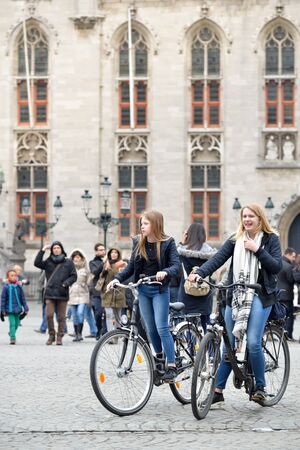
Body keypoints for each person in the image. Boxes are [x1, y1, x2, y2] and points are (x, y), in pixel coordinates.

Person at [189, 203, 282, 403]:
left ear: (260, 219)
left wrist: (258, 250)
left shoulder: (270, 239)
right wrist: (200, 273)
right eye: (244, 216)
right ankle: (217, 392)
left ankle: (260, 387)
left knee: (254, 342)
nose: (247, 219)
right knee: (229, 346)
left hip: (260, 295)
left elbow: (276, 267)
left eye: (251, 216)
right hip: (236, 294)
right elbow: (217, 259)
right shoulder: (235, 240)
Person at [107, 210, 181, 381]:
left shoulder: (168, 243)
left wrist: (165, 272)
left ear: (155, 224)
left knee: (162, 327)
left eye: (145, 223)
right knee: (150, 328)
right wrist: (117, 279)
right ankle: (159, 358)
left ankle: (172, 365)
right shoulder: (138, 242)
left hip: (159, 290)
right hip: (143, 290)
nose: (142, 226)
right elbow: (131, 266)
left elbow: (176, 265)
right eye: (141, 223)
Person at [34, 241, 77, 346]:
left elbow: (74, 276)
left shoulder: (68, 262)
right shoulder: (48, 261)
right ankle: (51, 335)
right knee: (49, 315)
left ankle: (59, 336)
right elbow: (37, 263)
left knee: (61, 317)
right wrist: (43, 249)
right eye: (54, 248)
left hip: (62, 293)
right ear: (52, 250)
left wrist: (66, 283)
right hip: (50, 293)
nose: (56, 250)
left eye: (58, 248)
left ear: (61, 249)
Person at [177, 223, 216, 332]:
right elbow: (211, 272)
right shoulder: (210, 254)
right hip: (204, 292)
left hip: (186, 292)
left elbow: (176, 265)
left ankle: (191, 347)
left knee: (188, 326)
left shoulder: (182, 252)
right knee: (206, 324)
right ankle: (208, 347)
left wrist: (182, 242)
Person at [97, 248, 127, 332]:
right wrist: (105, 269)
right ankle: (110, 335)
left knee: (117, 316)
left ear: (118, 254)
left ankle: (116, 335)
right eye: (112, 253)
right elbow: (100, 276)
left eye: (116, 253)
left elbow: (125, 277)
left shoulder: (123, 265)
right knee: (109, 315)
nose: (113, 254)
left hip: (119, 292)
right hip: (107, 293)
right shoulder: (106, 265)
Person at [1, 269, 29, 344]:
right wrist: (2, 309)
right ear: (8, 277)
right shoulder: (6, 287)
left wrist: (25, 307)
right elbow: (3, 299)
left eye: (15, 276)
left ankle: (11, 332)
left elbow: (22, 298)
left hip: (18, 308)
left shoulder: (19, 286)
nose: (14, 277)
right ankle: (12, 338)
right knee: (12, 323)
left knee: (17, 323)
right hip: (9, 309)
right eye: (12, 276)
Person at [68, 249, 90, 342]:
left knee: (80, 313)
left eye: (78, 257)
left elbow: (89, 280)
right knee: (74, 315)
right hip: (72, 294)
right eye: (74, 257)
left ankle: (80, 333)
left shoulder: (85, 269)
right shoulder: (69, 269)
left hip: (83, 294)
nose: (76, 259)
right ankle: (76, 334)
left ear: (81, 258)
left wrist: (86, 284)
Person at [277, 247, 298, 340]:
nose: (294, 259)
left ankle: (279, 333)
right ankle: (287, 335)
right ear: (288, 254)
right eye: (293, 256)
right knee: (289, 316)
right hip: (287, 295)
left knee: (280, 315)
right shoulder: (288, 266)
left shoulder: (277, 263)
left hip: (277, 293)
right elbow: (291, 280)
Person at [89, 243, 107, 340]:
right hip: (97, 292)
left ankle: (105, 333)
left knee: (106, 314)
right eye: (100, 250)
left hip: (107, 291)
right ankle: (99, 329)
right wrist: (103, 263)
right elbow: (95, 272)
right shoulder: (92, 262)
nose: (102, 251)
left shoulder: (109, 261)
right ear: (96, 251)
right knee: (98, 313)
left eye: (103, 250)